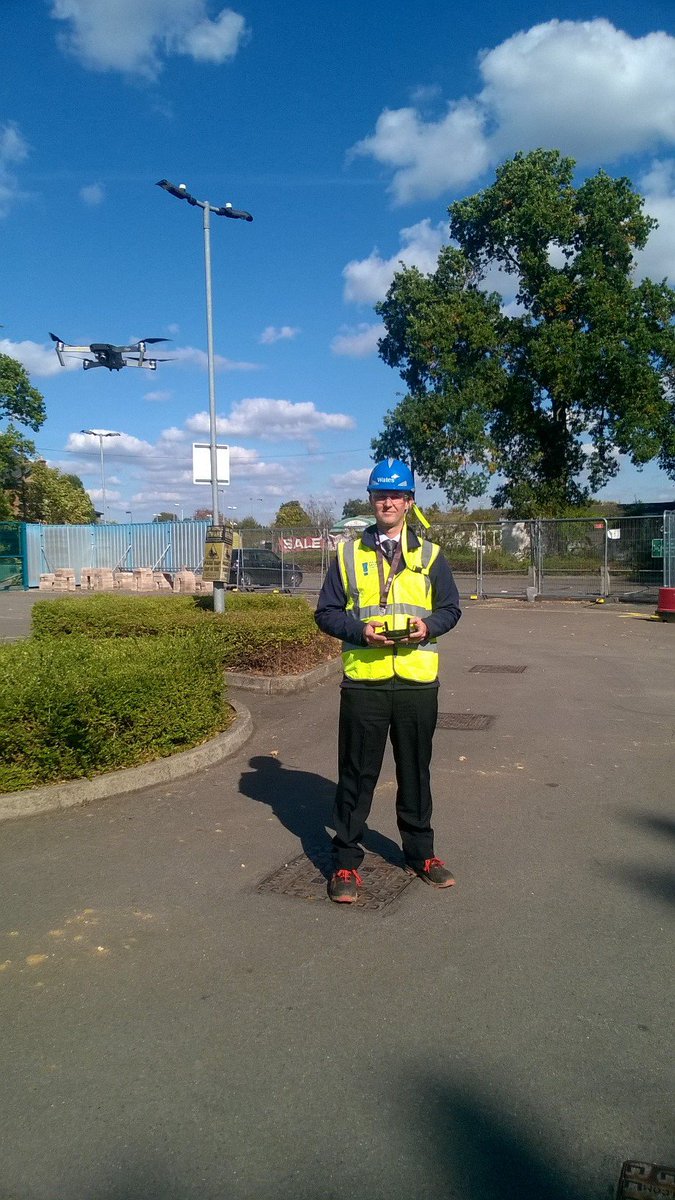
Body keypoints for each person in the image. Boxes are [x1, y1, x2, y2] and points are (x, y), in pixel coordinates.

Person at [315, 458, 462, 903]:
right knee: (357, 775)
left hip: (417, 682)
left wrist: (428, 628)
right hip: (366, 683)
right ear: (372, 500)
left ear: (409, 501)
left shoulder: (431, 554)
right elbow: (326, 613)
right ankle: (344, 863)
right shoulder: (347, 554)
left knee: (415, 772)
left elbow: (451, 609)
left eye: (396, 495)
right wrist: (359, 630)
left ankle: (421, 855)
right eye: (381, 494)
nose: (388, 501)